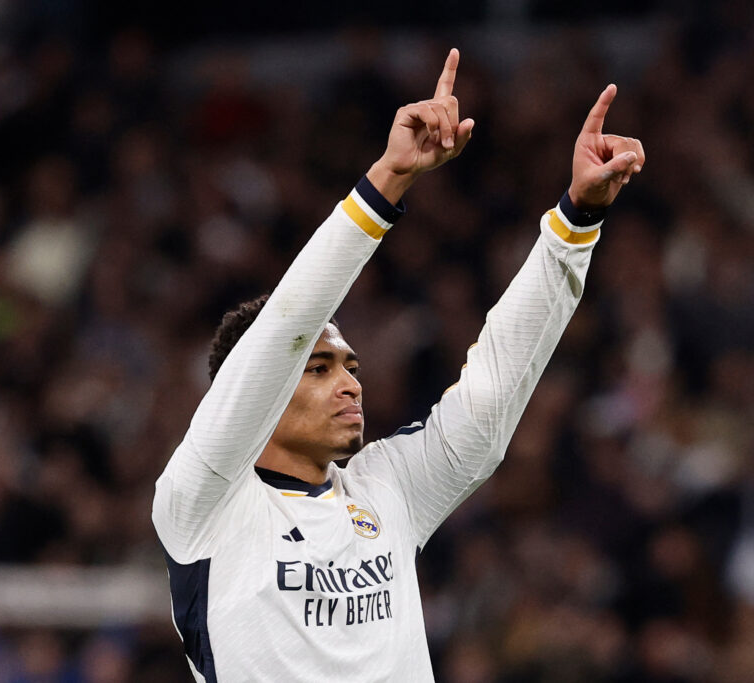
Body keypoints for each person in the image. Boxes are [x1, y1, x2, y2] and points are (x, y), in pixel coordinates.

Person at [152, 48, 644, 682]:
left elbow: (491, 396)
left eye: (350, 366)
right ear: (255, 393)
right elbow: (283, 329)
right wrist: (387, 180)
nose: (352, 382)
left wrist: (575, 221)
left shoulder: (385, 488)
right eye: (320, 367)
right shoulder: (201, 502)